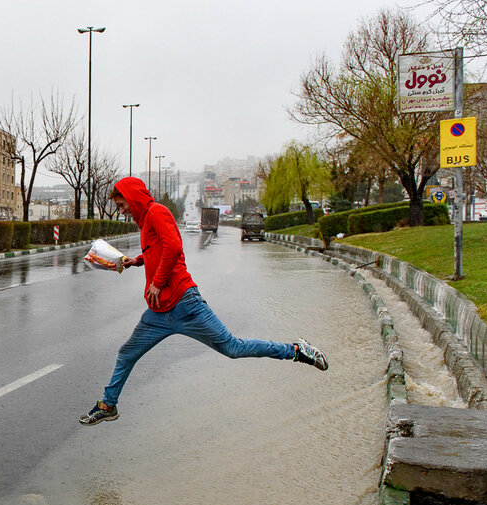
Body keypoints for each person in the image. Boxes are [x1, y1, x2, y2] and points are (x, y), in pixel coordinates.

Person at [80, 177, 328, 426]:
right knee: (126, 353)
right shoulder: (145, 222)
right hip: (158, 312)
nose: (121, 210)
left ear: (133, 198)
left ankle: (296, 350)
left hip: (185, 303)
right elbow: (157, 248)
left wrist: (157, 281)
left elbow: (174, 246)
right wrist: (138, 260)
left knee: (233, 348)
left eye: (122, 204)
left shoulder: (157, 212)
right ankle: (108, 405)